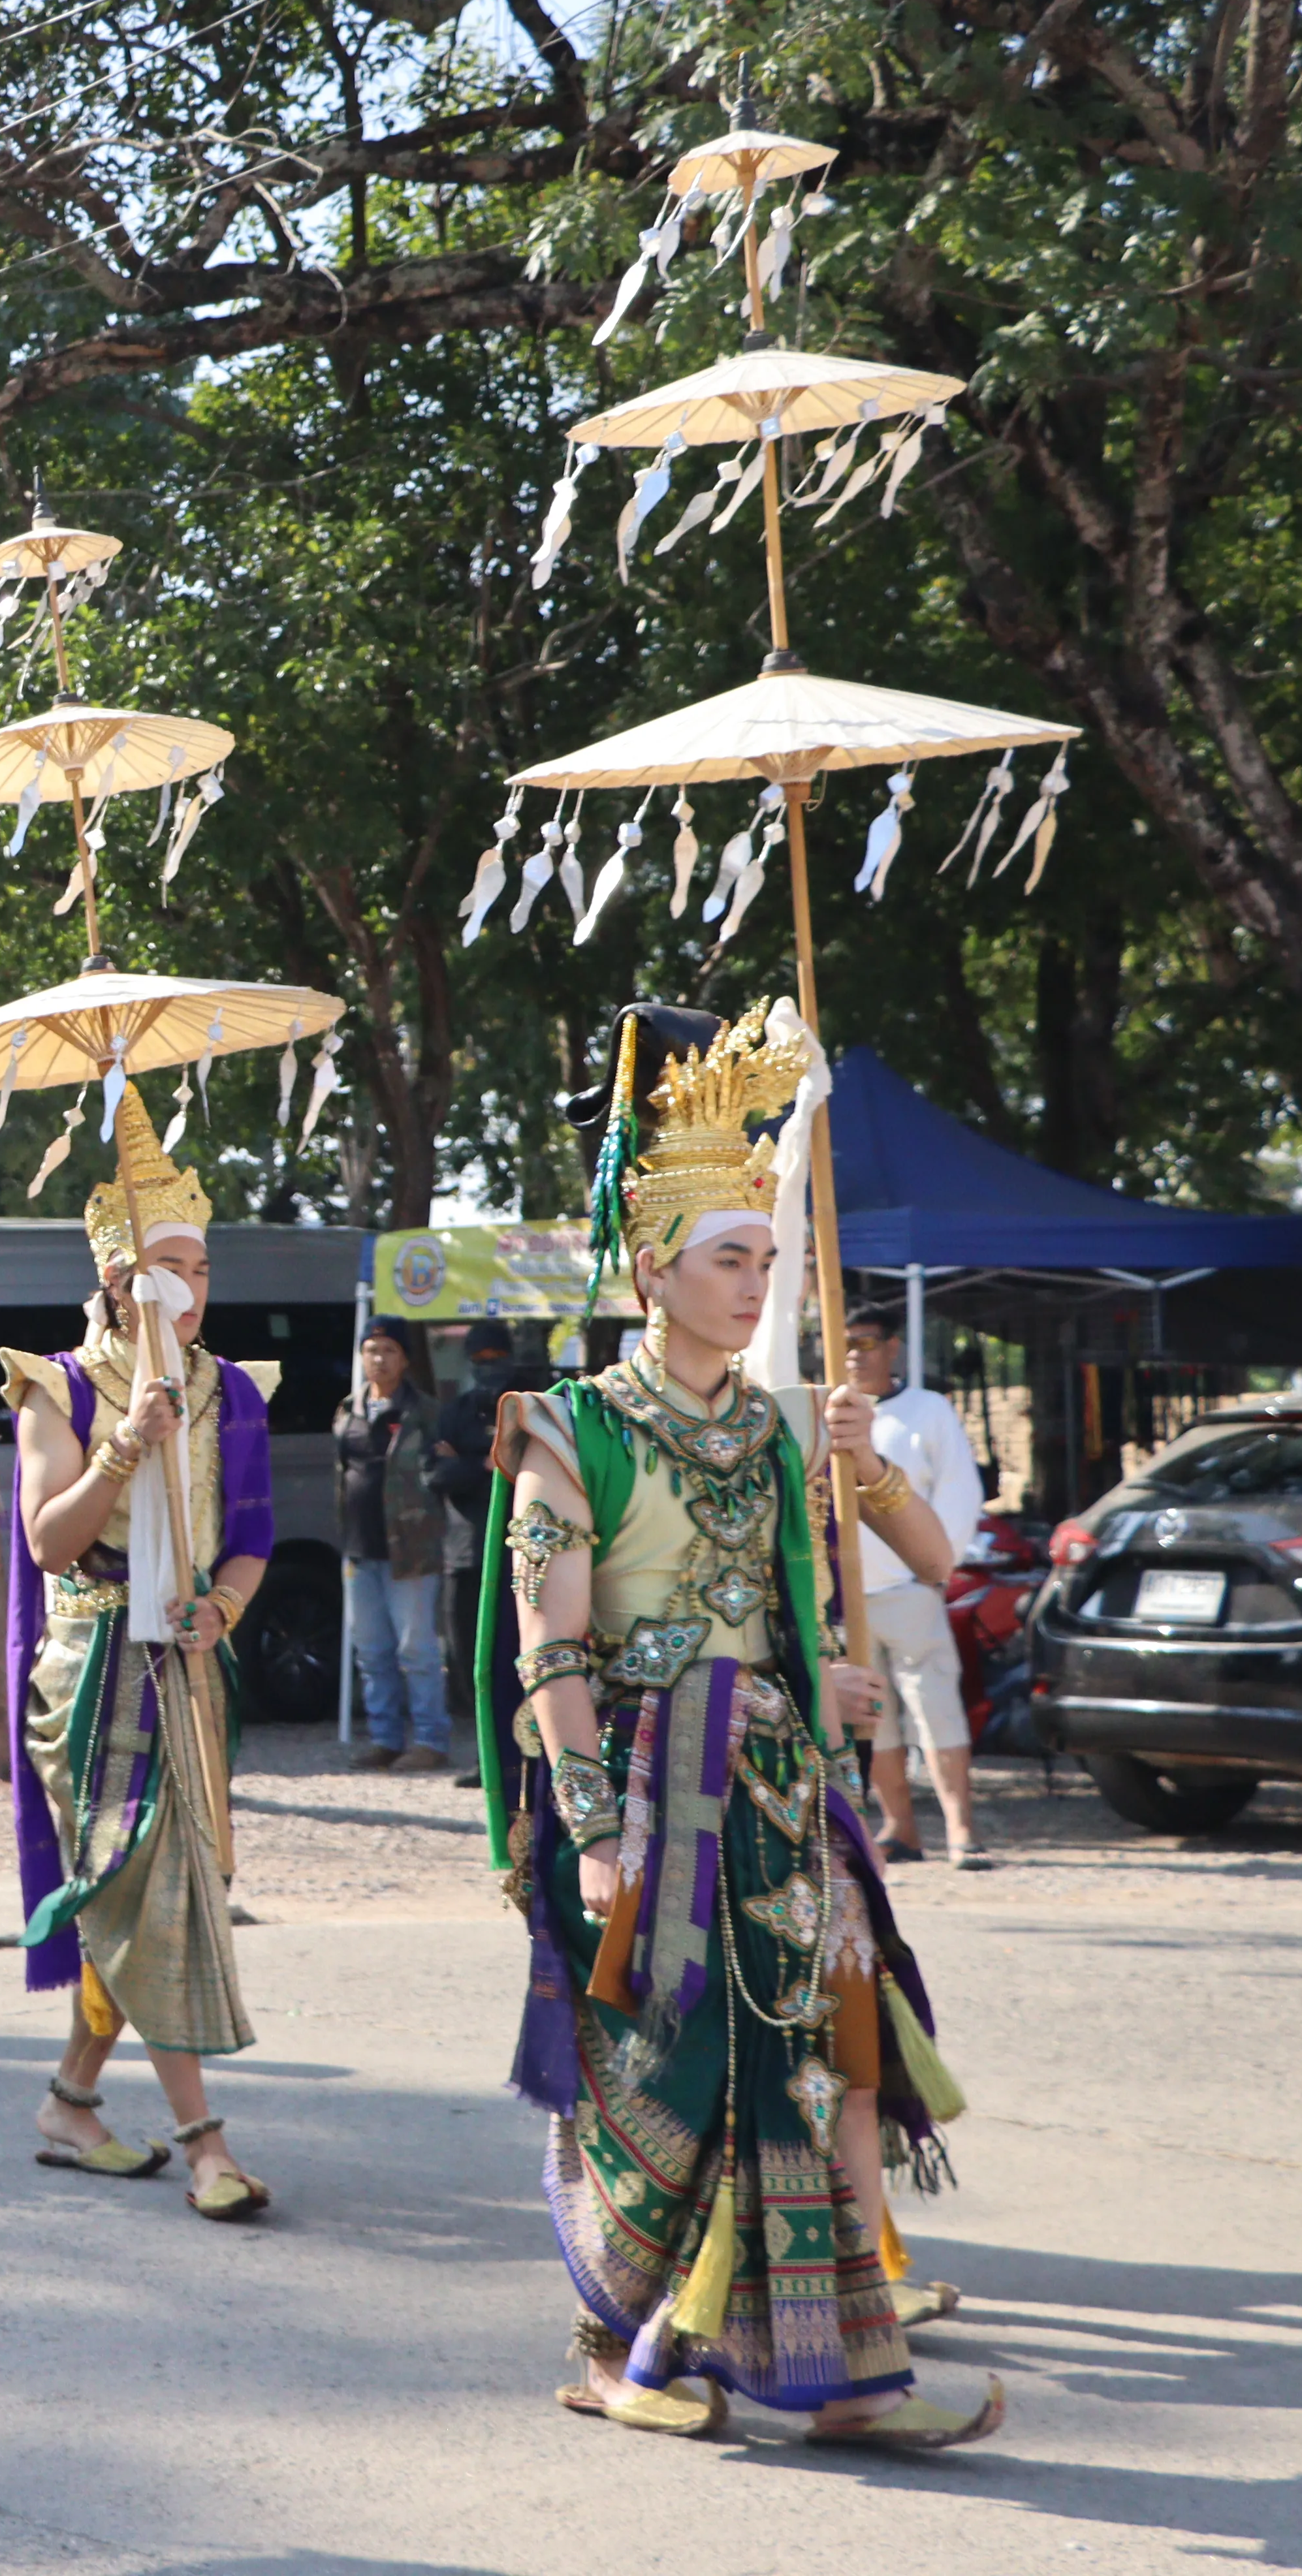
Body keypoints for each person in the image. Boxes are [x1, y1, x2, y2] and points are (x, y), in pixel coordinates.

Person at [481, 1003, 997, 2449]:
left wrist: (863, 1470)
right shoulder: (567, 1428)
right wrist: (589, 1831)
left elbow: (941, 1570)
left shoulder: (780, 1431)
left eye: (768, 1258)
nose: (755, 1282)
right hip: (647, 1789)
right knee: (665, 2066)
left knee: (830, 2048)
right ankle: (610, 2340)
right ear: (652, 1268)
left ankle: (846, 2372)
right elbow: (551, 1646)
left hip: (778, 1788)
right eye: (730, 1256)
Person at [2, 1087, 277, 2220]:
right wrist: (121, 1450)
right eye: (167, 1270)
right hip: (95, 1664)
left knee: (170, 1891)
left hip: (190, 1664)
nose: (190, 1292)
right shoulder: (54, 1385)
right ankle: (206, 2141)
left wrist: (224, 1607)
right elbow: (45, 1536)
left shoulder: (234, 1396)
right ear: (119, 1279)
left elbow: (252, 1539)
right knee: (147, 1892)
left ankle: (71, 2100)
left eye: (201, 1270)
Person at [846, 1308, 990, 1867]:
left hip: (910, 1588)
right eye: (845, 1342)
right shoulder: (832, 1409)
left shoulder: (926, 1411)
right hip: (854, 1594)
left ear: (892, 1348)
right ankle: (900, 1826)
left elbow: (958, 1490)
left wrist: (935, 1569)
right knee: (872, 1720)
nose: (856, 1352)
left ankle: (960, 1829)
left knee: (935, 1709)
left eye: (867, 1342)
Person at [332, 1315, 453, 1771]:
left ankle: (430, 1740)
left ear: (404, 1359)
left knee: (417, 1650)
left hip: (413, 1549)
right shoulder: (349, 1410)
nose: (378, 1359)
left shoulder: (426, 1411)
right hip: (360, 1549)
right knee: (371, 1650)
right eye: (371, 1350)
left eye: (388, 1351)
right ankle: (384, 1738)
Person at [427, 1317, 517, 1787]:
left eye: (496, 1359)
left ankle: (520, 1759)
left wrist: (465, 1464)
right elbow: (436, 1475)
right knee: (468, 1662)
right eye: (479, 1360)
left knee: (515, 1661)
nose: (488, 1368)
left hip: (516, 1557)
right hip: (465, 1555)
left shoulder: (531, 1406)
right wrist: (484, 1464)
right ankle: (486, 1759)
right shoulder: (457, 1410)